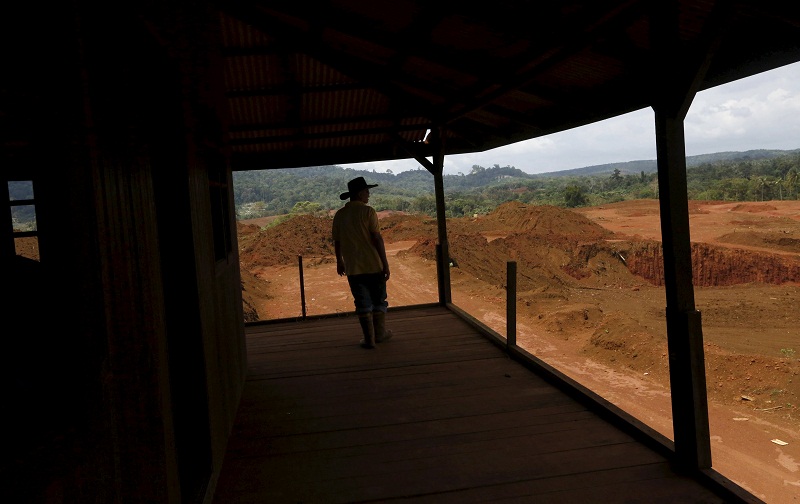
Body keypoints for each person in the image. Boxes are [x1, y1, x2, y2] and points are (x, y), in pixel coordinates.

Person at [332, 177, 392, 349]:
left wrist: (339, 261)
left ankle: (369, 339)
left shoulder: (340, 215)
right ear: (359, 194)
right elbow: (377, 239)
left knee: (362, 302)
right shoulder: (368, 212)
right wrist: (385, 263)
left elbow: (337, 241)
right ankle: (380, 334)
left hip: (353, 268)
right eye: (366, 191)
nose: (369, 194)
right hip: (374, 265)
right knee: (379, 300)